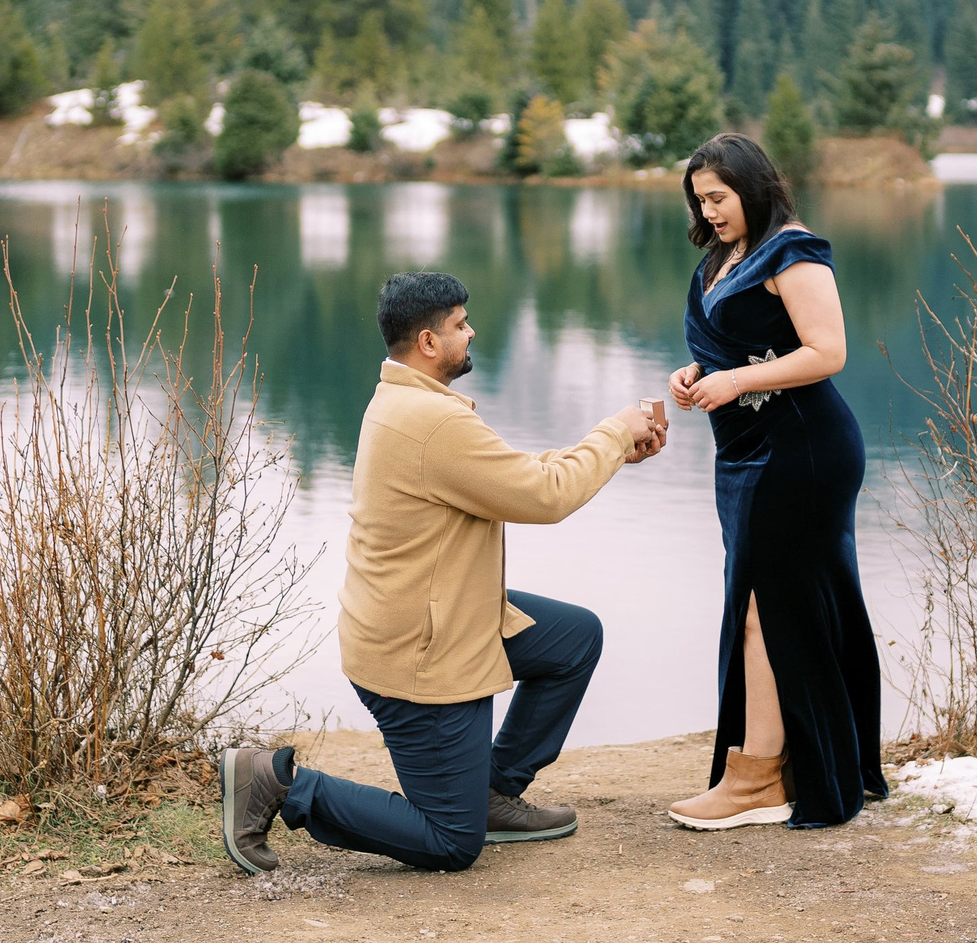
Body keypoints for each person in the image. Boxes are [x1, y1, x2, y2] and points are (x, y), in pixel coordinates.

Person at [220, 270, 665, 874]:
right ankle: (280, 784)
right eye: (460, 325)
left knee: (572, 638)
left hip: (443, 616)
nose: (471, 331)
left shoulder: (408, 402)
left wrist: (608, 452)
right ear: (428, 343)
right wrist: (613, 433)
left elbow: (510, 475)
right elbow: (545, 496)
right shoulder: (432, 421)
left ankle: (490, 792)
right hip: (419, 653)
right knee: (450, 844)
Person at [664, 132, 885, 830]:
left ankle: (761, 776)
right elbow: (743, 341)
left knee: (771, 606)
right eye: (701, 199)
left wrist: (735, 380)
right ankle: (795, 765)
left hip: (803, 450)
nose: (710, 210)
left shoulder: (792, 250)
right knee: (763, 602)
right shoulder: (723, 255)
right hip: (746, 450)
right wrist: (698, 372)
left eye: (720, 197)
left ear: (754, 187)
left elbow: (828, 352)